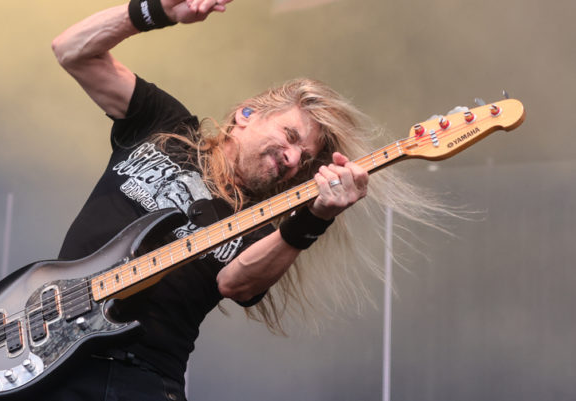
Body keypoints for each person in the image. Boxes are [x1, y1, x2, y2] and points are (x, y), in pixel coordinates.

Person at [48, 0, 430, 399]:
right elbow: (71, 50)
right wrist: (157, 10)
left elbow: (236, 284)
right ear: (247, 114)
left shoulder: (261, 227)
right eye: (291, 136)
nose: (293, 157)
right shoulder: (165, 124)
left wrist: (314, 219)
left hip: (133, 377)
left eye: (303, 158)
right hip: (44, 343)